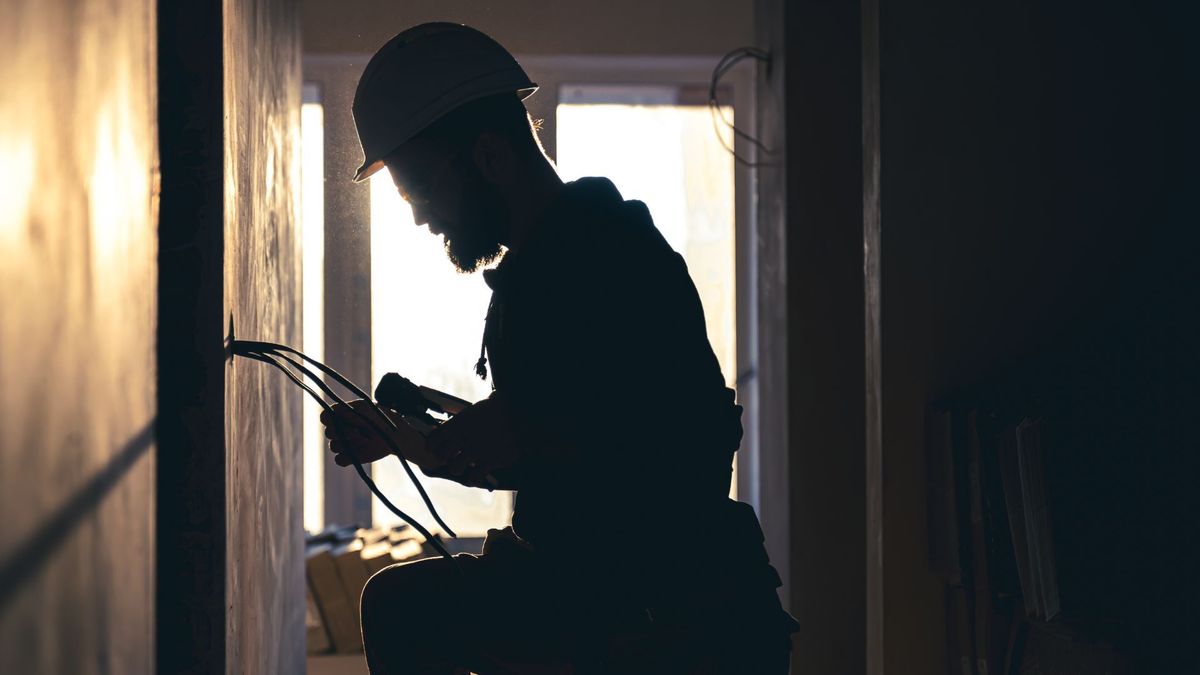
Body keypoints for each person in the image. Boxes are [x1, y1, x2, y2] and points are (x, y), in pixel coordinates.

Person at [320, 22, 798, 674]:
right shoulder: (543, 270)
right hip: (602, 595)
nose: (421, 218)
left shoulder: (609, 256)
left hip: (669, 613)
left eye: (422, 192)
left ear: (489, 155)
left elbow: (699, 439)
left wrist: (534, 431)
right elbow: (548, 457)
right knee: (402, 604)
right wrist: (408, 440)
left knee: (404, 607)